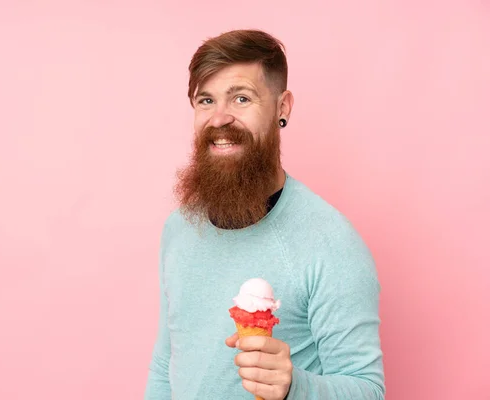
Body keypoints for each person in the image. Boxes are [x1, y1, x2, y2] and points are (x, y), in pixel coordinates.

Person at [144, 29, 385, 400]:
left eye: (241, 98)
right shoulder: (178, 228)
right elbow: (165, 365)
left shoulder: (330, 242)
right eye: (206, 100)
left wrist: (294, 386)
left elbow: (368, 390)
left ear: (282, 107)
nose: (220, 119)